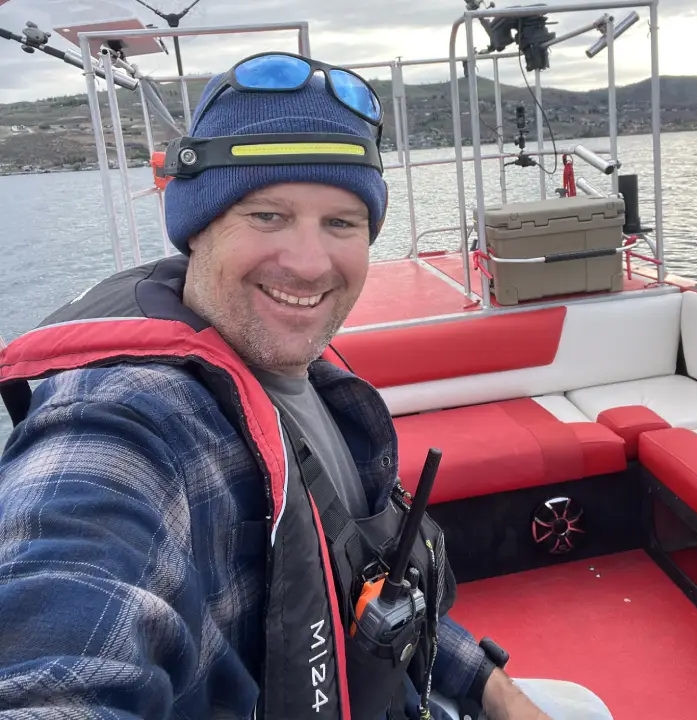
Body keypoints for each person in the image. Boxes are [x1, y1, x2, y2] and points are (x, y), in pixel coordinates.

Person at [0, 53, 612, 720]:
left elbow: (373, 590)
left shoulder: (313, 381)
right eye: (267, 215)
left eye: (341, 223)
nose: (310, 263)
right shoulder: (128, 417)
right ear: (197, 226)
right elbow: (59, 636)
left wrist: (498, 690)